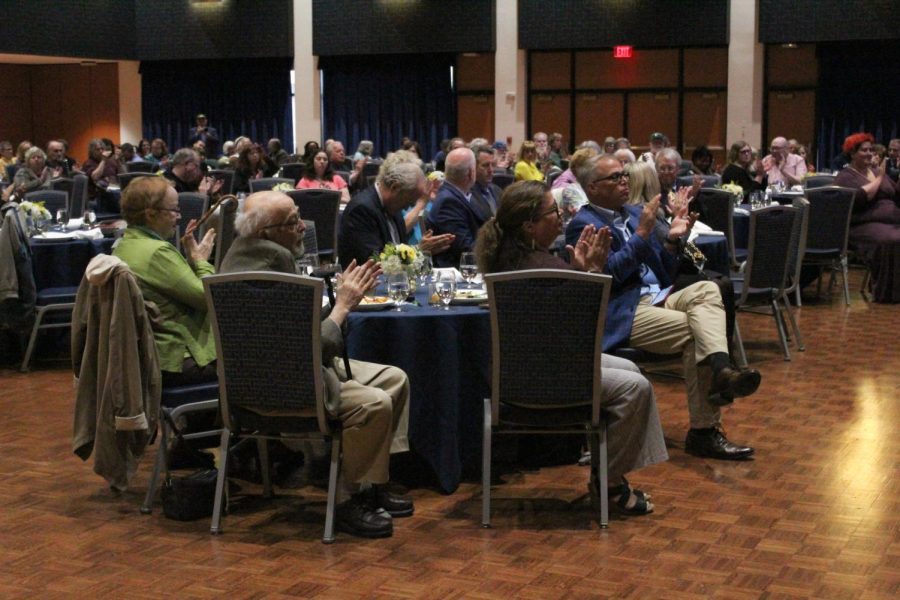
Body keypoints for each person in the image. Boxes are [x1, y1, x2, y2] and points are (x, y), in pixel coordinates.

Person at [219, 191, 414, 538]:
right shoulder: (270, 277)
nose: (302, 228)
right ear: (265, 234)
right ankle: (345, 501)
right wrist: (342, 306)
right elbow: (311, 346)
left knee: (394, 378)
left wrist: (340, 297)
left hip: (256, 380)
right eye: (292, 222)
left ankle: (372, 483)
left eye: (298, 217)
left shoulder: (241, 257)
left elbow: (298, 335)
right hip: (287, 389)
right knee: (375, 403)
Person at [475, 180, 669, 515]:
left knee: (630, 369)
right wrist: (589, 274)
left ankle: (608, 474)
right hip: (549, 381)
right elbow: (585, 330)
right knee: (637, 388)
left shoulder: (507, 258)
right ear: (529, 226)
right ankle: (609, 484)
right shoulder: (546, 267)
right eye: (553, 212)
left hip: (514, 374)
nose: (562, 216)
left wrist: (581, 272)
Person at [567, 154, 761, 460]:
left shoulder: (632, 213)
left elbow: (666, 270)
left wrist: (672, 241)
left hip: (658, 294)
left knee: (709, 289)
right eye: (615, 178)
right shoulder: (583, 223)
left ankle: (722, 369)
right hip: (623, 309)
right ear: (592, 187)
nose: (623, 182)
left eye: (624, 176)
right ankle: (704, 430)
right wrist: (643, 235)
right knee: (697, 333)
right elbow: (608, 276)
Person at [112, 176, 218, 386]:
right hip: (179, 359)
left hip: (150, 354)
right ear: (151, 213)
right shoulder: (157, 252)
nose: (178, 218)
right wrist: (200, 261)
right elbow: (209, 298)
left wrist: (193, 262)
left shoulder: (124, 245)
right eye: (174, 210)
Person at [338, 151, 454, 268]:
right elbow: (375, 263)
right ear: (395, 188)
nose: (410, 206)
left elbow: (396, 251)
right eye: (409, 200)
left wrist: (419, 250)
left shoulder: (393, 206)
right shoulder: (362, 210)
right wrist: (418, 250)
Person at [834, 133, 900, 303]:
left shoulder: (878, 171)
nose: (870, 153)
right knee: (891, 239)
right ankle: (887, 293)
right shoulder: (845, 176)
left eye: (871, 149)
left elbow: (896, 196)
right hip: (863, 225)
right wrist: (879, 178)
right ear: (852, 153)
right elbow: (861, 197)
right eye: (864, 150)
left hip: (891, 221)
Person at [427, 147, 487, 268]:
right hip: (460, 273)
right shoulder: (448, 202)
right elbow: (466, 249)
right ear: (471, 173)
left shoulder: (460, 194)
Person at [81, 138, 125, 210]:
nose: (101, 151)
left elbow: (124, 175)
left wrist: (119, 161)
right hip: (98, 196)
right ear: (91, 151)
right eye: (97, 149)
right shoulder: (88, 163)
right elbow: (95, 177)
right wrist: (103, 160)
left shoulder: (111, 162)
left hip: (114, 191)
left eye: (102, 149)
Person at [470, 145, 502, 218]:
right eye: (485, 165)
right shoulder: (468, 194)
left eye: (493, 165)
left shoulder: (497, 190)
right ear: (473, 166)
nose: (491, 170)